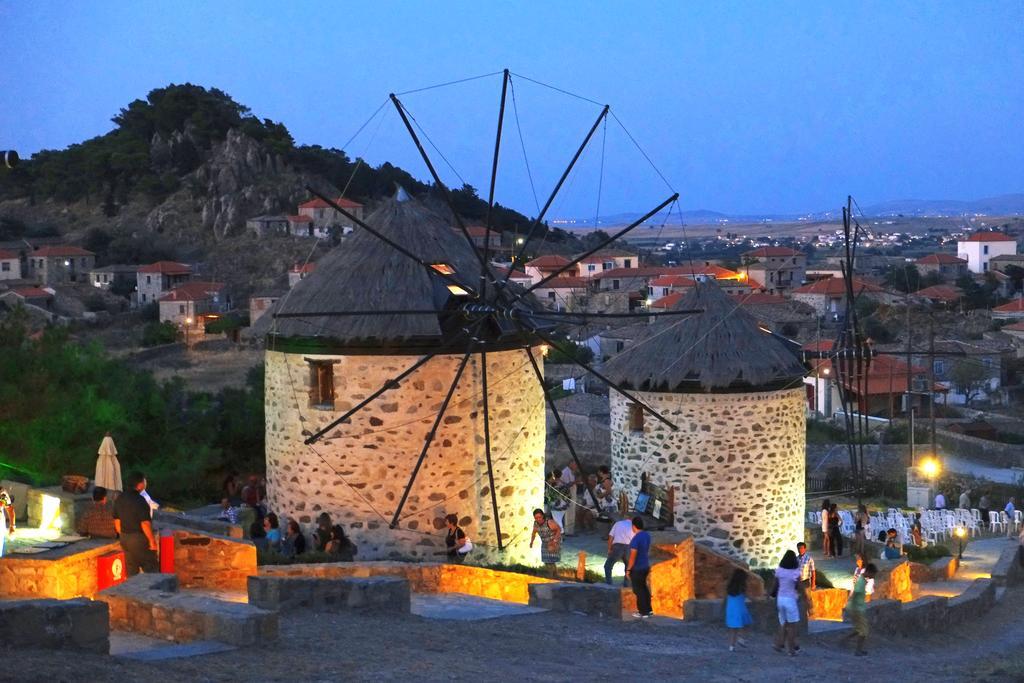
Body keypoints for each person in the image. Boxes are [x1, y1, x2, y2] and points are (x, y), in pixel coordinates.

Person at [112, 472, 159, 575]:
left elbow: (117, 521)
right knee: (150, 568)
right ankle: (153, 591)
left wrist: (123, 535)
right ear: (140, 484)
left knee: (131, 569)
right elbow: (145, 523)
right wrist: (152, 541)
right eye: (144, 480)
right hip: (138, 539)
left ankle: (133, 590)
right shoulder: (140, 500)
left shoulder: (119, 499)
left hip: (125, 538)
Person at [841, 562, 877, 656]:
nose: (873, 577)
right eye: (873, 575)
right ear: (869, 572)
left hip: (856, 608)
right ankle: (858, 650)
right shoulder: (861, 582)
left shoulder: (861, 580)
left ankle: (844, 640)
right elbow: (856, 593)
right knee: (864, 631)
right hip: (857, 609)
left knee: (859, 628)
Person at [773, 550, 804, 656]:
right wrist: (805, 598)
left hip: (780, 599)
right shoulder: (795, 572)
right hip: (790, 599)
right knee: (792, 626)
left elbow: (775, 585)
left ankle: (778, 644)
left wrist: (770, 595)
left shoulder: (779, 570)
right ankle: (791, 650)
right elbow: (800, 586)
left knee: (783, 623)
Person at [626, 516, 653, 618]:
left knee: (638, 590)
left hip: (637, 568)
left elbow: (633, 556)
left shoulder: (635, 539)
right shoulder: (646, 535)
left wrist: (628, 569)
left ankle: (642, 611)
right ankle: (648, 609)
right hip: (645, 565)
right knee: (644, 588)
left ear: (634, 526)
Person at [724, 568, 752, 651]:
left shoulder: (730, 587)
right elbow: (748, 596)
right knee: (745, 624)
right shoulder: (742, 587)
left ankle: (731, 646)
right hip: (740, 608)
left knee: (733, 629)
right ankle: (741, 638)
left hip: (731, 609)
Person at [530, 508, 562, 576]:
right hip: (544, 543)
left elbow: (559, 529)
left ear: (543, 516)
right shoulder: (536, 523)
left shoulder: (549, 522)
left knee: (550, 561)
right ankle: (554, 575)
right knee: (546, 561)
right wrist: (531, 542)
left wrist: (554, 541)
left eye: (539, 517)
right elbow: (534, 533)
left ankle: (551, 576)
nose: (538, 519)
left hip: (553, 541)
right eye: (536, 518)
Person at [605, 516, 635, 586]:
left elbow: (611, 536)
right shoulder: (634, 526)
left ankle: (609, 583)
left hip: (617, 547)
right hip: (629, 547)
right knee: (628, 566)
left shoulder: (618, 523)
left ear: (625, 518)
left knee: (608, 566)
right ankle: (627, 584)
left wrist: (609, 549)